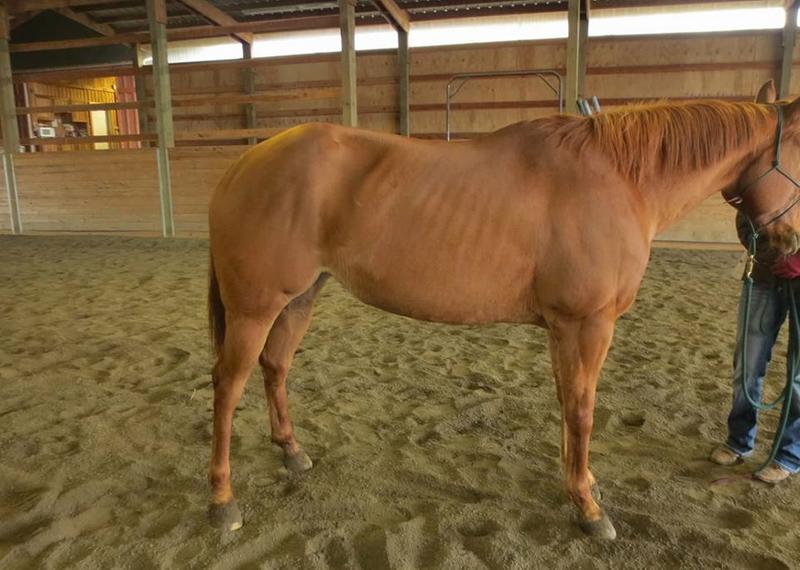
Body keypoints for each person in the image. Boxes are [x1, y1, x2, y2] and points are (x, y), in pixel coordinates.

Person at [709, 212, 800, 483]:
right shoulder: (769, 172)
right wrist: (774, 254)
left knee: (798, 377)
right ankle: (738, 439)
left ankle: (789, 455)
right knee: (747, 364)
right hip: (762, 277)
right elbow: (747, 218)